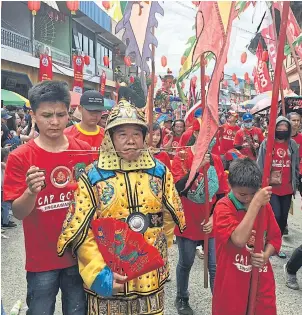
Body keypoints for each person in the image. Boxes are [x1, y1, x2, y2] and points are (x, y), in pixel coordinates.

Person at [57, 96, 186, 315]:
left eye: (136, 134)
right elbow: (81, 231)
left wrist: (158, 255)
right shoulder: (93, 176)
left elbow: (168, 219)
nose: (130, 141)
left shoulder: (160, 172)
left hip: (149, 278)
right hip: (109, 274)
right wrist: (98, 272)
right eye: (122, 134)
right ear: (111, 138)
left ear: (145, 137)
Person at [3, 81, 90, 315]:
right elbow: (19, 213)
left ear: (69, 114)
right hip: (41, 259)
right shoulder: (20, 157)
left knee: (78, 311)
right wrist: (30, 192)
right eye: (47, 115)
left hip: (79, 254)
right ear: (33, 115)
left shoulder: (83, 151)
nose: (54, 122)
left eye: (61, 115)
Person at [172, 121, 228, 315]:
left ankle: (219, 304)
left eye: (212, 135)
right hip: (187, 221)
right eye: (205, 133)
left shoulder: (216, 160)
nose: (209, 138)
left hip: (209, 221)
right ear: (195, 132)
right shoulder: (182, 155)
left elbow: (221, 194)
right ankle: (182, 297)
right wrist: (196, 169)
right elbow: (179, 188)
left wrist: (214, 217)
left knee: (213, 265)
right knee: (186, 262)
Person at [213, 158, 281, 315]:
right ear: (230, 185)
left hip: (261, 278)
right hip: (233, 280)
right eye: (243, 194)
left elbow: (274, 238)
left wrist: (265, 255)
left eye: (252, 194)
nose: (248, 198)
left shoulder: (265, 206)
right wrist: (256, 204)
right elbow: (238, 240)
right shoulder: (223, 207)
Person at [257, 116, 299, 259]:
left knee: (283, 220)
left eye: (285, 128)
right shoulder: (266, 144)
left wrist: (296, 184)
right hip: (271, 189)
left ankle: (276, 245)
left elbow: (295, 165)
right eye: (279, 127)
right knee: (276, 216)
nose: (282, 130)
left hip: (287, 189)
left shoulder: (292, 145)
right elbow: (260, 164)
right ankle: (267, 242)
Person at [64, 90, 106, 159]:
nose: (94, 115)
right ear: (80, 109)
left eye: (98, 111)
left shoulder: (106, 136)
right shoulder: (66, 134)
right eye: (90, 111)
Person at [1, 148, 17, 229]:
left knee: (6, 205)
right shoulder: (2, 164)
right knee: (5, 205)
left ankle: (5, 220)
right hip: (2, 188)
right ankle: (5, 222)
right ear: (5, 157)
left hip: (4, 187)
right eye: (8, 156)